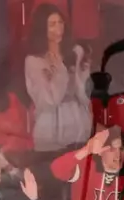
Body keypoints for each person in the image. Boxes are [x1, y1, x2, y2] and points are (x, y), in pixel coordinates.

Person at [24, 3, 92, 153]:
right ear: (42, 29)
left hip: (78, 124)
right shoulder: (34, 61)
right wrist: (60, 71)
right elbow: (48, 102)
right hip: (49, 130)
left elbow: (86, 96)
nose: (58, 29)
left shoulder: (76, 52)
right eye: (52, 24)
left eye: (60, 23)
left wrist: (81, 73)